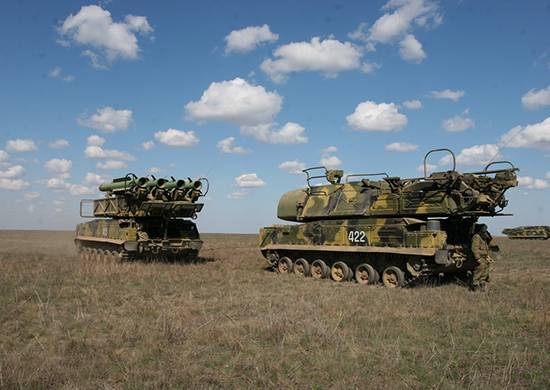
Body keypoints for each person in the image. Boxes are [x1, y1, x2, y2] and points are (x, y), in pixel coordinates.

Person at [470, 224, 493, 292]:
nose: (485, 230)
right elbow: (474, 249)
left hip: (484, 257)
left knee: (485, 272)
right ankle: (475, 287)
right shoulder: (476, 237)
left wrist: (487, 256)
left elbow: (486, 247)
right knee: (478, 271)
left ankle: (482, 285)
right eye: (483, 229)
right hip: (480, 257)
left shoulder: (483, 236)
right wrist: (477, 258)